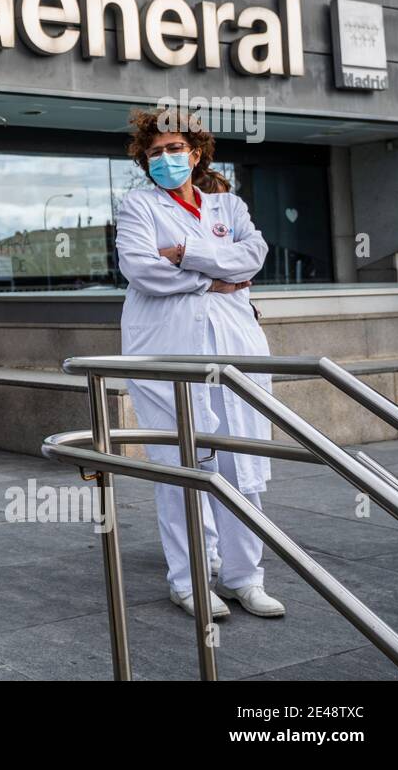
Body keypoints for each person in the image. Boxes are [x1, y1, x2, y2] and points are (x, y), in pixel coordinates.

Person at [115, 108, 284, 619]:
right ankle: (189, 581)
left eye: (175, 148)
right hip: (165, 347)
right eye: (156, 151)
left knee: (242, 462)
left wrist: (185, 251)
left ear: (195, 152)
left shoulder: (228, 205)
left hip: (235, 345)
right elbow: (142, 269)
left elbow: (253, 257)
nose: (166, 158)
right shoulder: (137, 207)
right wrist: (213, 275)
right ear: (146, 159)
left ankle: (243, 578)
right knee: (183, 462)